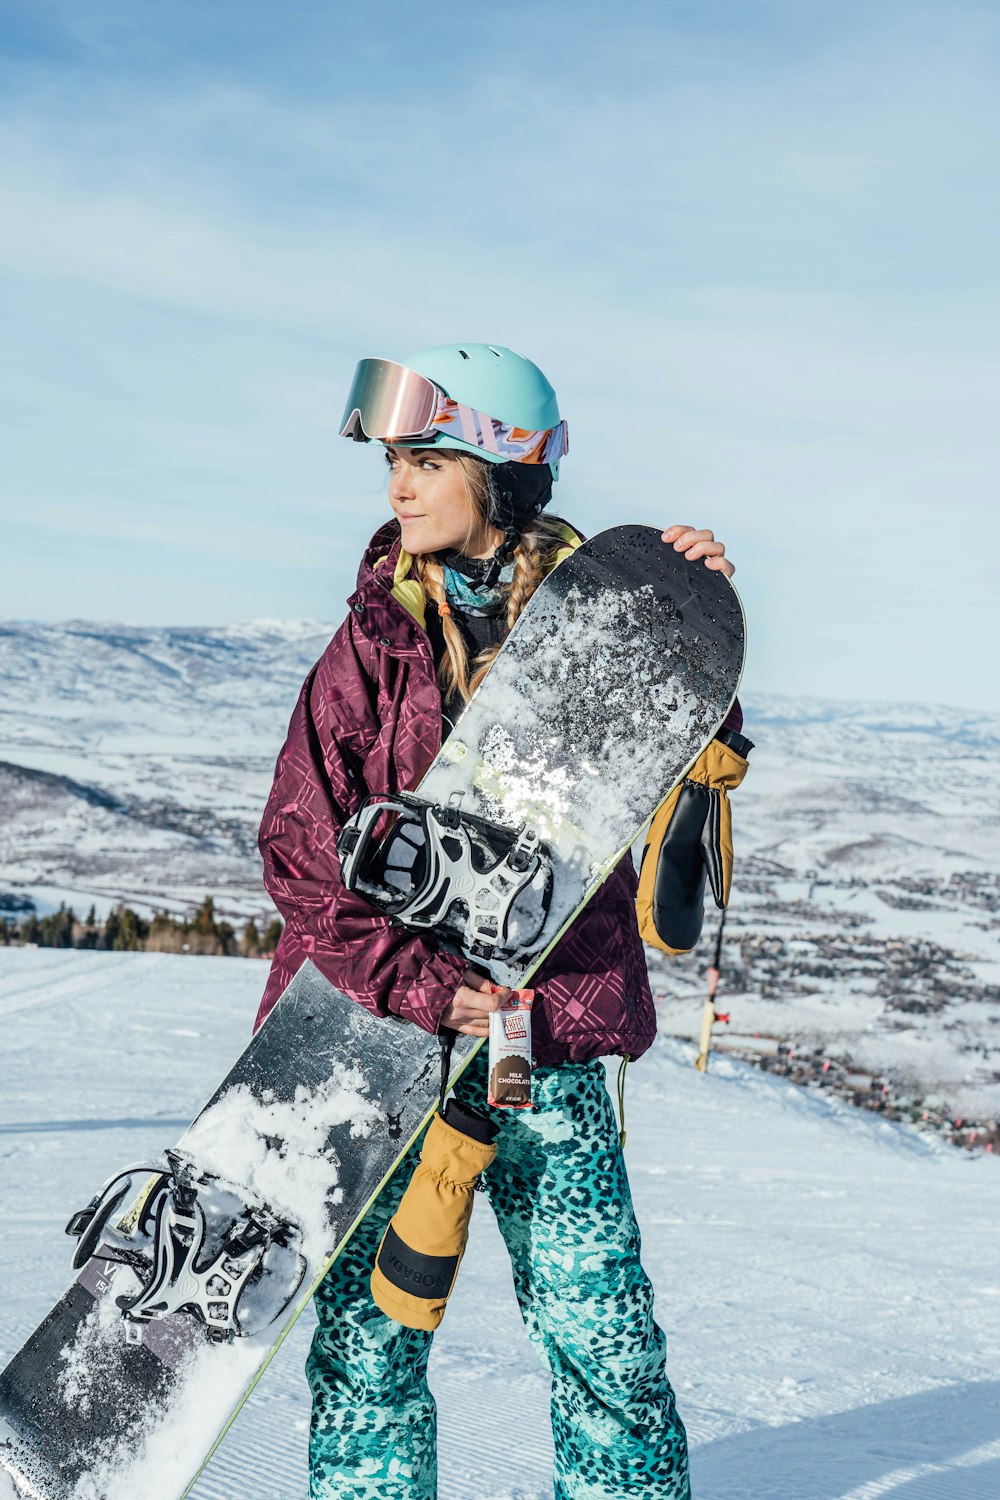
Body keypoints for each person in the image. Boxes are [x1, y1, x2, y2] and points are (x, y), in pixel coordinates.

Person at [254, 344, 741, 1500]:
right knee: (369, 1350)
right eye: (392, 464)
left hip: (545, 1040)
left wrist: (692, 614)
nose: (397, 487)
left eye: (424, 461)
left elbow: (687, 774)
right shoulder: (370, 642)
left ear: (502, 468)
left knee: (603, 1344)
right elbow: (299, 847)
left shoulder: (612, 618)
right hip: (376, 1041)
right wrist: (421, 985)